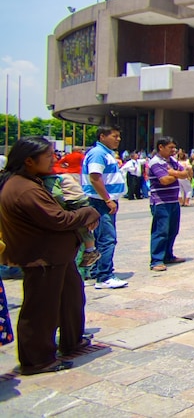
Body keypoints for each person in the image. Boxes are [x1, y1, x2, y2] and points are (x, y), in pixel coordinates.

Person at [0, 137, 100, 374]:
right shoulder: (24, 188)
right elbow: (59, 219)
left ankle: (71, 341)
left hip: (56, 257)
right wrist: (88, 212)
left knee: (70, 298)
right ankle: (37, 359)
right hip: (42, 258)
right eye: (48, 156)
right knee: (41, 311)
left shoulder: (30, 183)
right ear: (29, 161)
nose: (54, 159)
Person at [81, 125, 129, 289]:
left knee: (102, 238)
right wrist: (107, 199)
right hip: (100, 202)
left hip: (106, 200)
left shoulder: (105, 153)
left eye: (118, 136)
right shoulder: (98, 154)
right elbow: (95, 178)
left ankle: (97, 271)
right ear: (102, 136)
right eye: (114, 136)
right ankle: (104, 276)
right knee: (107, 238)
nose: (118, 139)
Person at [146, 138, 191, 271]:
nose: (174, 150)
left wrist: (173, 173)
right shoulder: (155, 162)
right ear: (161, 147)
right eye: (170, 147)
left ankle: (168, 255)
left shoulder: (172, 161)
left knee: (172, 230)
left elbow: (187, 174)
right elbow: (164, 180)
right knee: (161, 231)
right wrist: (177, 174)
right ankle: (156, 260)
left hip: (173, 201)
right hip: (160, 202)